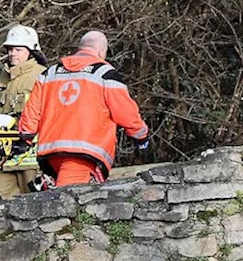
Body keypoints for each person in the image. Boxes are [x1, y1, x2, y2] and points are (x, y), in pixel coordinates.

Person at [17, 30, 149, 187]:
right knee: (70, 203)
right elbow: (127, 114)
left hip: (51, 153)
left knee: (60, 198)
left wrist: (26, 138)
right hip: (84, 153)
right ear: (101, 51)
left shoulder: (50, 73)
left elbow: (32, 111)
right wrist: (141, 138)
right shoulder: (105, 74)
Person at [0, 25, 46, 199]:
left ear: (31, 51)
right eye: (10, 49)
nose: (12, 53)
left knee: (35, 203)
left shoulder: (42, 76)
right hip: (5, 157)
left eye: (18, 49)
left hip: (32, 157)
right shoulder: (3, 78)